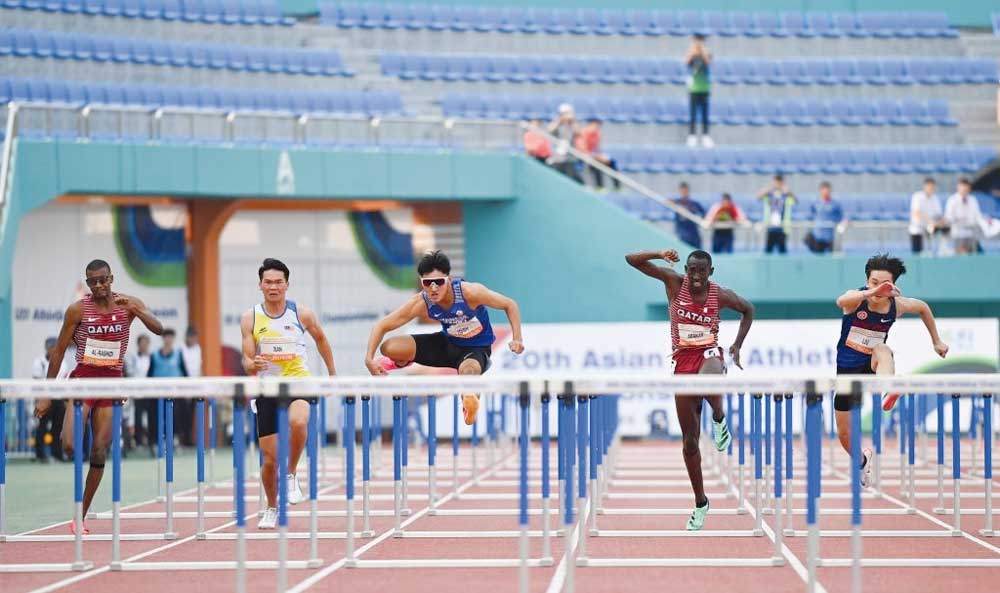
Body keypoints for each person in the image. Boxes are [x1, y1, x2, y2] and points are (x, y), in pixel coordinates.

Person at [625, 249, 754, 530]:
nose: (696, 276)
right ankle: (700, 502)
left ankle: (719, 418)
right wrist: (658, 253)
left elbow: (748, 310)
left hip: (709, 353)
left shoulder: (720, 295)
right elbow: (631, 260)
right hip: (682, 361)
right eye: (692, 270)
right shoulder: (673, 282)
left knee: (709, 377)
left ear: (711, 272)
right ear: (686, 268)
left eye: (702, 271)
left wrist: (736, 346)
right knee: (690, 443)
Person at [33, 259, 164, 533]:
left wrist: (137, 310)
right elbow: (58, 352)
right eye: (92, 281)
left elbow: (159, 329)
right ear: (88, 283)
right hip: (82, 380)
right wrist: (46, 394)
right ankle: (69, 422)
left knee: (99, 450)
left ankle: (80, 515)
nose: (98, 285)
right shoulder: (78, 310)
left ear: (111, 278)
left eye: (103, 279)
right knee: (69, 446)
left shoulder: (129, 304)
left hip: (112, 383)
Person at [364, 250, 525, 425]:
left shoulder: (470, 293)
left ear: (448, 278)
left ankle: (469, 400)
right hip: (446, 344)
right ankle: (402, 360)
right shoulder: (421, 302)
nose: (433, 288)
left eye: (439, 282)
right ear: (422, 282)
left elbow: (510, 305)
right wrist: (369, 359)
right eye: (427, 283)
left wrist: (517, 338)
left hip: (475, 349)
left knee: (469, 371)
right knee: (389, 347)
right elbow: (381, 326)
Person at [834, 254, 948, 487]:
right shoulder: (856, 300)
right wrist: (871, 292)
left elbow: (923, 308)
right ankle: (862, 461)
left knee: (882, 349)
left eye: (885, 285)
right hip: (846, 373)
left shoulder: (897, 306)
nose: (878, 289)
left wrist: (936, 340)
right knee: (844, 436)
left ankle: (890, 388)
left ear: (894, 286)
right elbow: (840, 301)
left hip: (873, 366)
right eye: (874, 282)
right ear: (867, 281)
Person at [240, 258, 337, 530]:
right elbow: (246, 359)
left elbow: (321, 339)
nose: (273, 287)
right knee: (270, 460)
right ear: (260, 285)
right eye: (268, 282)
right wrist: (253, 364)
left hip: (298, 383)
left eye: (278, 282)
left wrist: (332, 376)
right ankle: (271, 507)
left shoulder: (300, 313)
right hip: (268, 388)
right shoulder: (251, 317)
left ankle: (292, 472)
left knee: (298, 422)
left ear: (287, 285)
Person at [147, 329, 190, 447]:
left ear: (173, 339)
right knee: (156, 418)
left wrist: (188, 389)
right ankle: (156, 441)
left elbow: (185, 372)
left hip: (174, 393)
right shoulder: (154, 355)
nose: (168, 339)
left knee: (175, 416)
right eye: (166, 337)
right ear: (163, 338)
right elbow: (149, 374)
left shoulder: (178, 354)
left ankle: (174, 438)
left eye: (171, 337)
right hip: (157, 393)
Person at [32, 337, 65, 462]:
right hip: (43, 398)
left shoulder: (63, 362)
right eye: (51, 347)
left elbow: (62, 382)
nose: (53, 349)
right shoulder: (38, 362)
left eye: (55, 347)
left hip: (58, 399)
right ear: (47, 348)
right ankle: (40, 454)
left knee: (57, 427)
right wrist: (42, 398)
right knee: (42, 426)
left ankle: (57, 454)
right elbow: (37, 382)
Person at [944, 178, 987, 255]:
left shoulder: (973, 200)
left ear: (969, 189)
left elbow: (977, 215)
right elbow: (948, 217)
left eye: (966, 188)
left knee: (975, 254)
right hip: (958, 234)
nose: (964, 190)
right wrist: (959, 220)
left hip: (971, 234)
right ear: (958, 188)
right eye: (962, 188)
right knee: (961, 256)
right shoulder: (952, 200)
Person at [574, 119, 621, 191]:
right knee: (597, 164)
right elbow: (582, 150)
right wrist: (596, 157)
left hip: (594, 157)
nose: (597, 129)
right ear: (590, 125)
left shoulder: (597, 135)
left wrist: (602, 157)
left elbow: (596, 149)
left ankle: (617, 186)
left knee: (611, 163)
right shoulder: (582, 134)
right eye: (596, 126)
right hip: (583, 158)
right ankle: (599, 186)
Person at [126, 335, 154, 453]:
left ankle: (152, 441)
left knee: (151, 418)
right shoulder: (133, 358)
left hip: (149, 392)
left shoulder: (152, 357)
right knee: (137, 417)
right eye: (142, 343)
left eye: (146, 343)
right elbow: (130, 373)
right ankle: (138, 442)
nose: (144, 345)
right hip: (137, 392)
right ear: (138, 344)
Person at [684, 33, 713, 148]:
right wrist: (693, 50)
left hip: (704, 88)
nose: (698, 44)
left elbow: (708, 62)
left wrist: (702, 50)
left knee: (705, 114)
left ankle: (706, 135)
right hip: (694, 89)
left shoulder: (707, 54)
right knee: (693, 114)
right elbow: (686, 62)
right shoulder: (692, 55)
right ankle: (692, 136)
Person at [757, 174, 796, 254]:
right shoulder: (769, 194)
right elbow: (758, 197)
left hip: (782, 226)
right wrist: (769, 188)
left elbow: (795, 201)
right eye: (776, 182)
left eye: (779, 182)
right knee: (768, 250)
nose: (778, 184)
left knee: (782, 250)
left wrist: (789, 192)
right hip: (771, 226)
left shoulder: (786, 195)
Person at [804, 182, 845, 254]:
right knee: (818, 259)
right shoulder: (815, 203)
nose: (826, 193)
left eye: (828, 191)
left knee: (835, 257)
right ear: (820, 191)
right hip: (818, 236)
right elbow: (810, 216)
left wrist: (843, 222)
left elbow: (841, 217)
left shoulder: (835, 204)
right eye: (824, 190)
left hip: (829, 237)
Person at [546, 103, 582, 182]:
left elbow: (579, 132)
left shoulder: (572, 124)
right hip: (558, 158)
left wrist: (572, 121)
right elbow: (549, 130)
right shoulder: (557, 123)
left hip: (570, 157)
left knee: (570, 179)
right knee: (557, 179)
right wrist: (560, 120)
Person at [909, 178, 944, 255]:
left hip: (930, 231)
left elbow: (939, 215)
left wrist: (939, 222)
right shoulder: (917, 196)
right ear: (924, 186)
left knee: (930, 253)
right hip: (917, 231)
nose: (931, 189)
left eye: (932, 187)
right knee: (917, 254)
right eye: (929, 187)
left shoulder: (935, 198)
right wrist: (930, 220)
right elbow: (916, 213)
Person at [671, 182, 706, 249]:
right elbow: (667, 202)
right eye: (682, 191)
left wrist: (701, 221)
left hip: (694, 233)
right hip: (682, 233)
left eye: (685, 190)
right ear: (680, 191)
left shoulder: (694, 204)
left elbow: (704, 213)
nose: (684, 192)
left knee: (697, 253)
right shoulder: (677, 203)